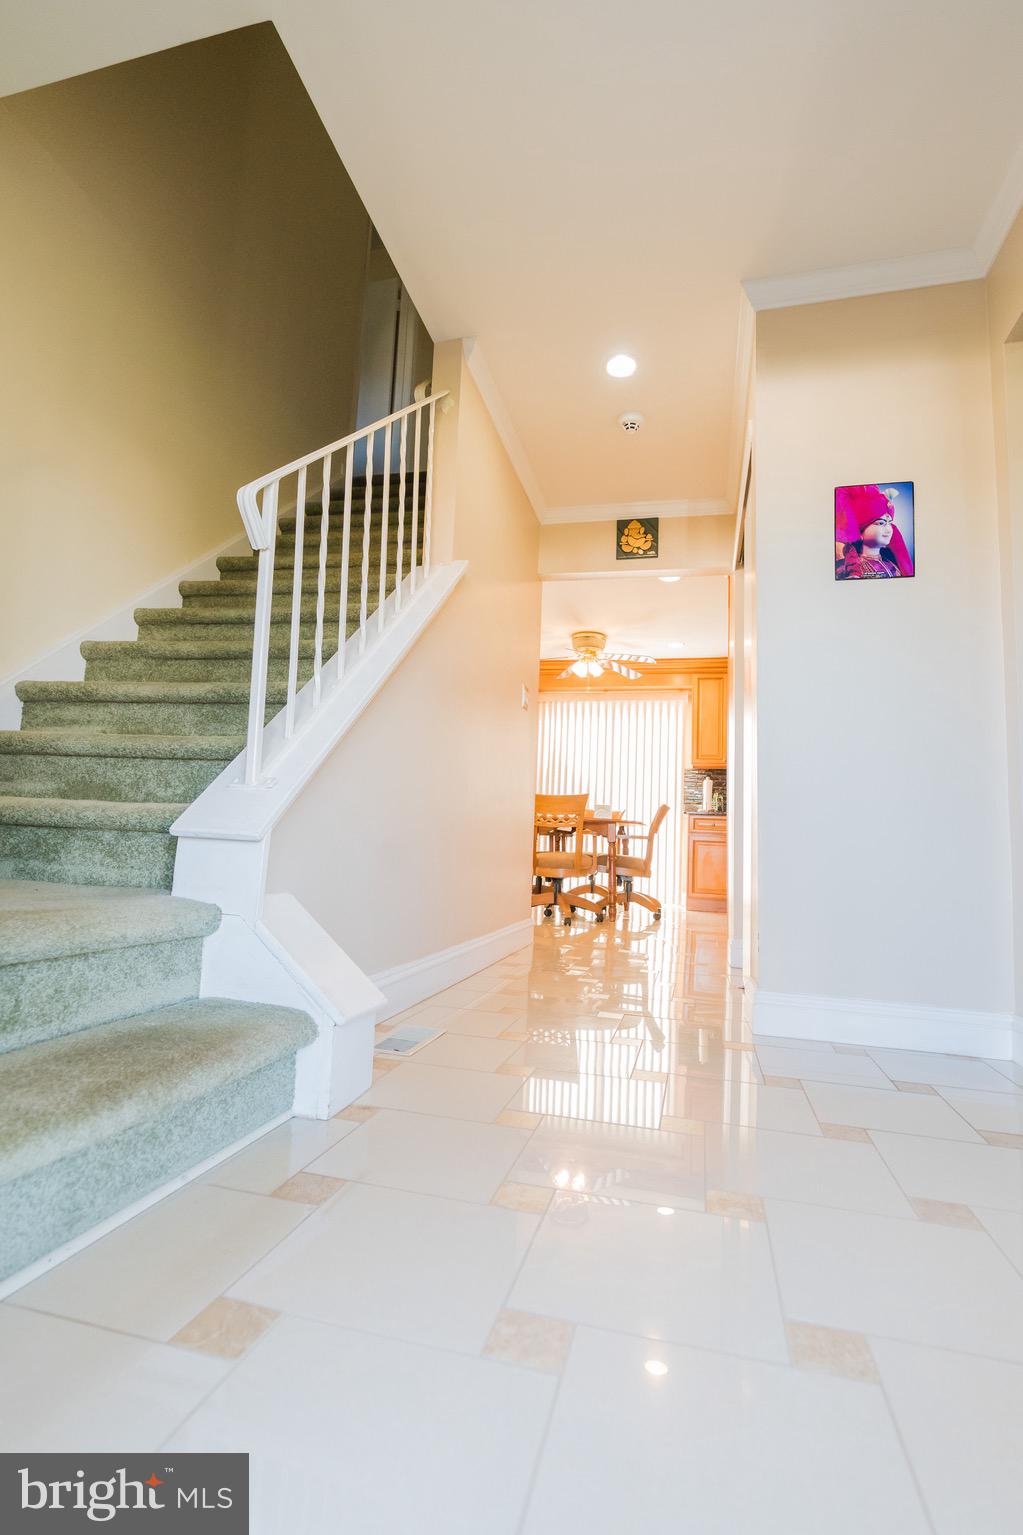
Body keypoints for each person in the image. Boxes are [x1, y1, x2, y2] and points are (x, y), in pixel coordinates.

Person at [835, 484, 914, 580]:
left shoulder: (891, 564)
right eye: (881, 523)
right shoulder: (849, 569)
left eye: (890, 523)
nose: (889, 529)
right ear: (860, 533)